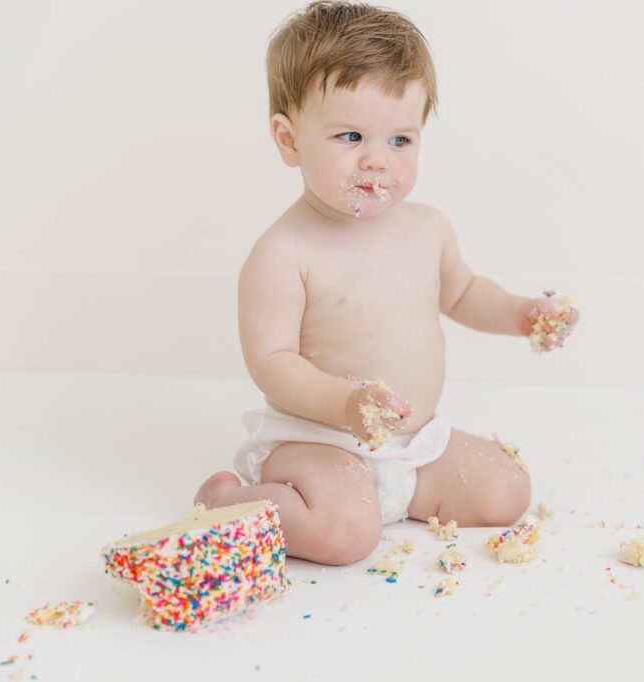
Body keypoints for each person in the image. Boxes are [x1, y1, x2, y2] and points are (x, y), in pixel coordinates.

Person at [194, 1, 579, 566]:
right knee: (345, 534)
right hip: (320, 440)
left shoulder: (427, 228)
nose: (377, 161)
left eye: (400, 140)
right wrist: (346, 403)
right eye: (351, 136)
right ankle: (231, 499)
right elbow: (272, 362)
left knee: (507, 492)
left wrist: (521, 313)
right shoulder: (283, 253)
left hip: (412, 443)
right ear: (288, 139)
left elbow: (464, 293)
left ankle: (394, 496)